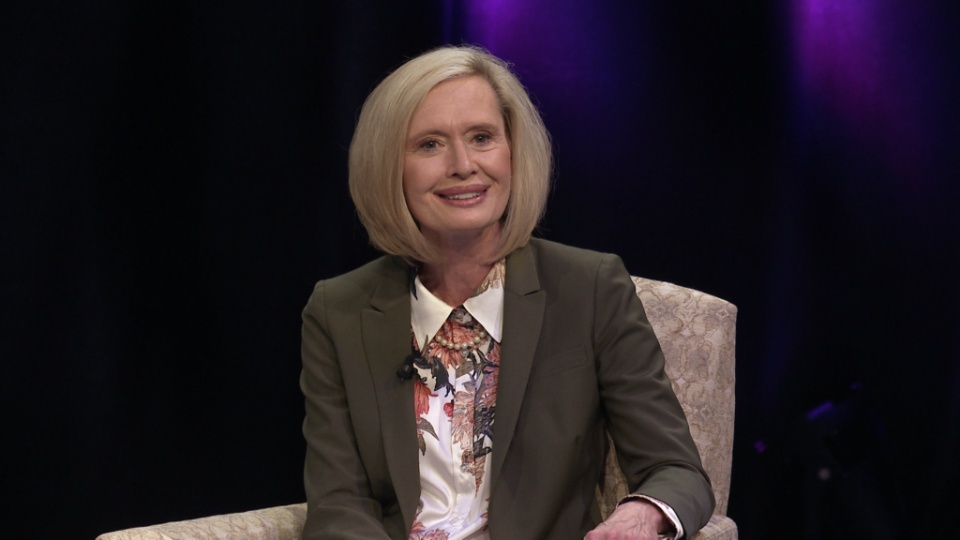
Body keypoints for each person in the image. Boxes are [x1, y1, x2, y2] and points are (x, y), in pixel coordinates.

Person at [300, 45, 714, 540]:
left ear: (513, 151)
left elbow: (677, 470)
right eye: (430, 144)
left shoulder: (589, 288)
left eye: (482, 138)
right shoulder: (339, 310)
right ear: (389, 167)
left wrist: (641, 515)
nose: (463, 165)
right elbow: (338, 501)